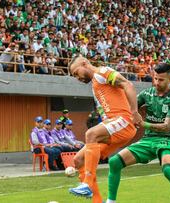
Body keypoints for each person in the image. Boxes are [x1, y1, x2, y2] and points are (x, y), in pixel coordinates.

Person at [105, 63, 170, 203]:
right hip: (148, 139)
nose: (156, 82)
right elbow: (129, 108)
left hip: (166, 140)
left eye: (161, 79)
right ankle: (110, 201)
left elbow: (167, 126)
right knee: (114, 162)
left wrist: (142, 123)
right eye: (155, 78)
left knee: (168, 169)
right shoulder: (146, 94)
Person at [67, 55, 141, 203]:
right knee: (79, 160)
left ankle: (86, 184)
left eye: (76, 73)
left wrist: (134, 112)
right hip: (114, 126)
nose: (77, 78)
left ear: (84, 63)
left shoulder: (102, 72)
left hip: (124, 121)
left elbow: (128, 85)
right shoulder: (95, 82)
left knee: (91, 134)